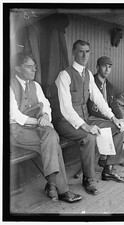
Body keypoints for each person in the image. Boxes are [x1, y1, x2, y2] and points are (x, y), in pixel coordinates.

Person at [55, 40, 124, 196]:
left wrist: (114, 117)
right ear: (73, 53)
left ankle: (108, 169)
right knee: (89, 137)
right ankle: (88, 179)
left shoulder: (88, 74)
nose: (84, 55)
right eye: (81, 51)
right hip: (66, 122)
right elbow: (66, 109)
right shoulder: (64, 75)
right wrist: (85, 126)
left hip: (85, 118)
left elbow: (99, 99)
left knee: (118, 128)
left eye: (87, 51)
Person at [10, 52, 82, 203]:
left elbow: (46, 105)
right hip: (17, 130)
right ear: (17, 68)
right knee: (52, 141)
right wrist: (39, 121)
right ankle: (60, 189)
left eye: (34, 67)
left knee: (51, 137)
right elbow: (15, 115)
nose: (34, 70)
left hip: (38, 125)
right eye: (29, 67)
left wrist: (46, 117)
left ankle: (53, 186)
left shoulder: (35, 85)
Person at [87, 56, 124, 167]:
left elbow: (114, 105)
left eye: (109, 67)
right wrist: (112, 119)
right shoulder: (91, 82)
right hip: (94, 118)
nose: (107, 69)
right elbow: (91, 108)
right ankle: (111, 158)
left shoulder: (110, 86)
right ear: (97, 67)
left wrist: (120, 118)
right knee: (117, 128)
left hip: (110, 116)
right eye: (104, 66)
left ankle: (111, 155)